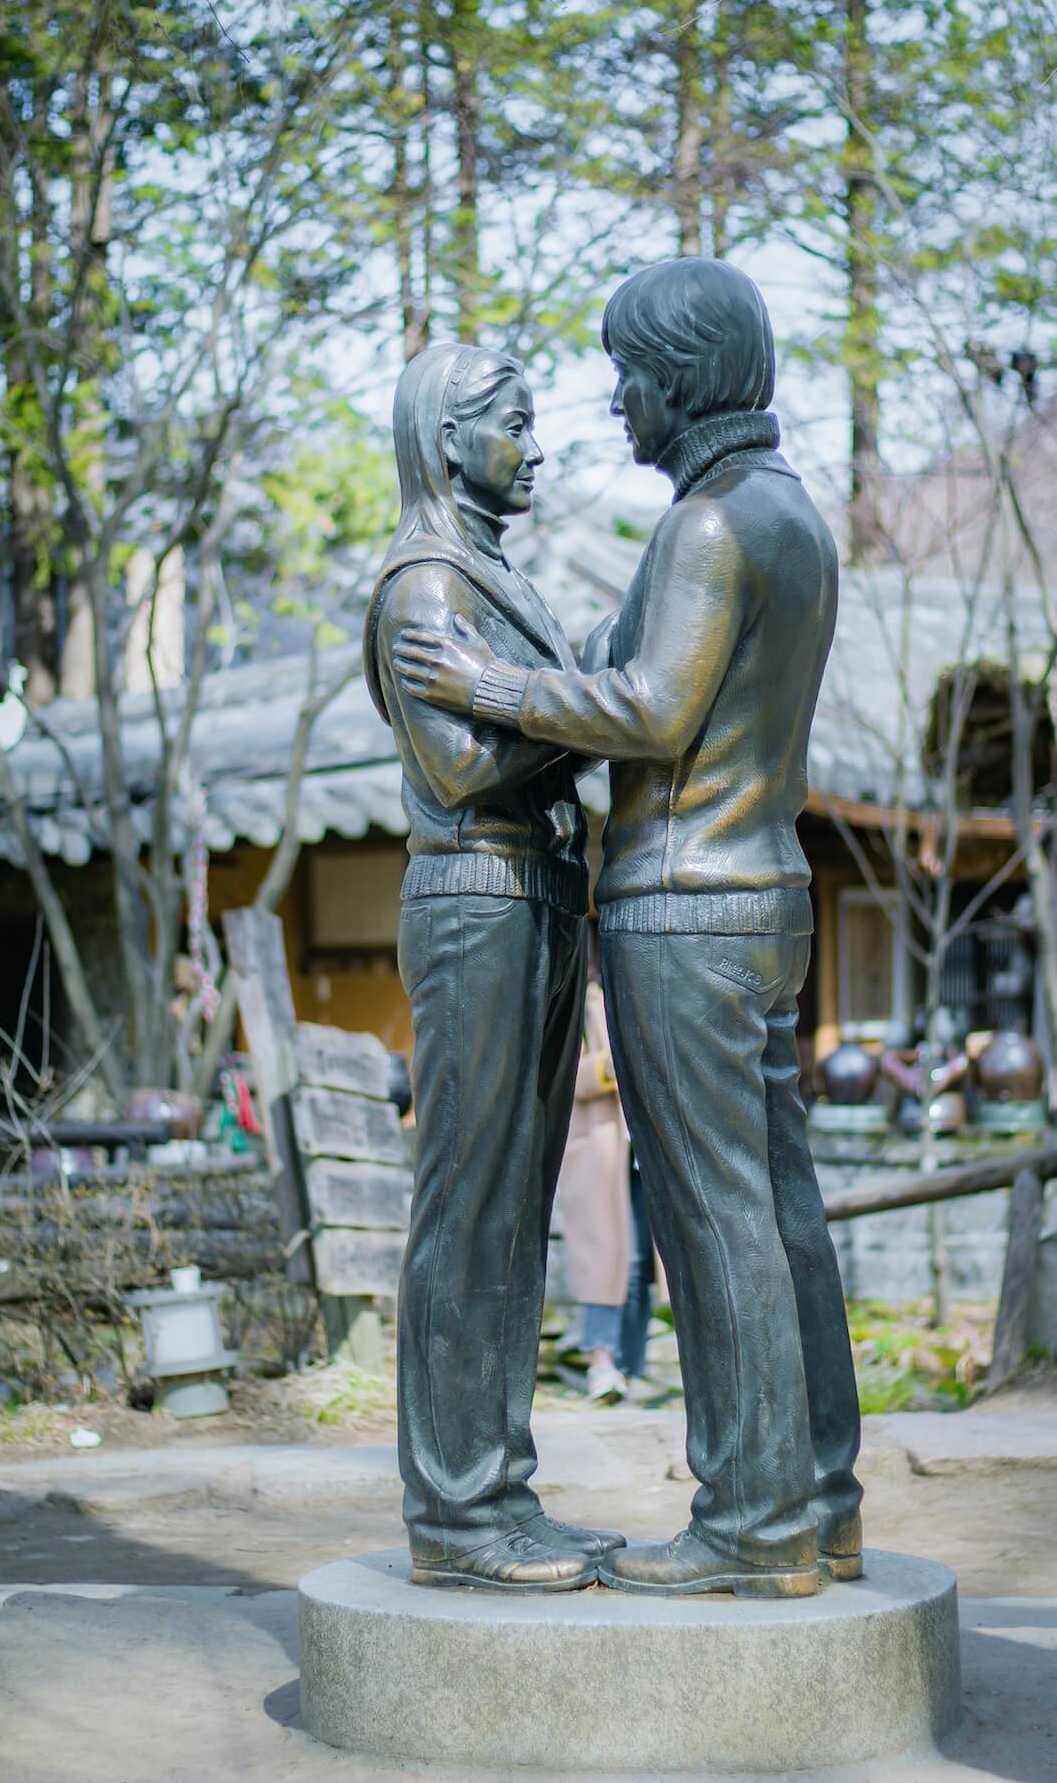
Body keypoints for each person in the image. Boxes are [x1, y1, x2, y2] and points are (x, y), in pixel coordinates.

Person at [395, 259, 863, 1598]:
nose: (615, 403)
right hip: (763, 893)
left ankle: (752, 1521)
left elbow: (652, 711)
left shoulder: (707, 526)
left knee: (713, 1218)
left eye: (626, 375)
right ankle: (819, 1501)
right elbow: (614, 666)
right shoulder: (787, 514)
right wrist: (545, 672)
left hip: (684, 904)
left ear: (681, 375)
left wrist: (491, 681)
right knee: (777, 1207)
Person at [363, 342, 621, 1592]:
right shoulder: (424, 586)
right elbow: (464, 767)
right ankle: (454, 1513)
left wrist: (541, 702)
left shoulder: (489, 577)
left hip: (534, 898)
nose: (537, 441)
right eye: (516, 422)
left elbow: (508, 721)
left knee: (514, 1214)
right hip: (474, 899)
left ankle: (501, 1489)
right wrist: (577, 715)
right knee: (465, 1211)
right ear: (447, 439)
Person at [558, 966, 653, 1402]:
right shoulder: (579, 1001)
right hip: (599, 1148)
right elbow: (562, 1076)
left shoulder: (646, 995)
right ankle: (602, 1363)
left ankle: (630, 1366)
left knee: (639, 1262)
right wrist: (621, 1062)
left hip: (641, 1150)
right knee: (607, 1258)